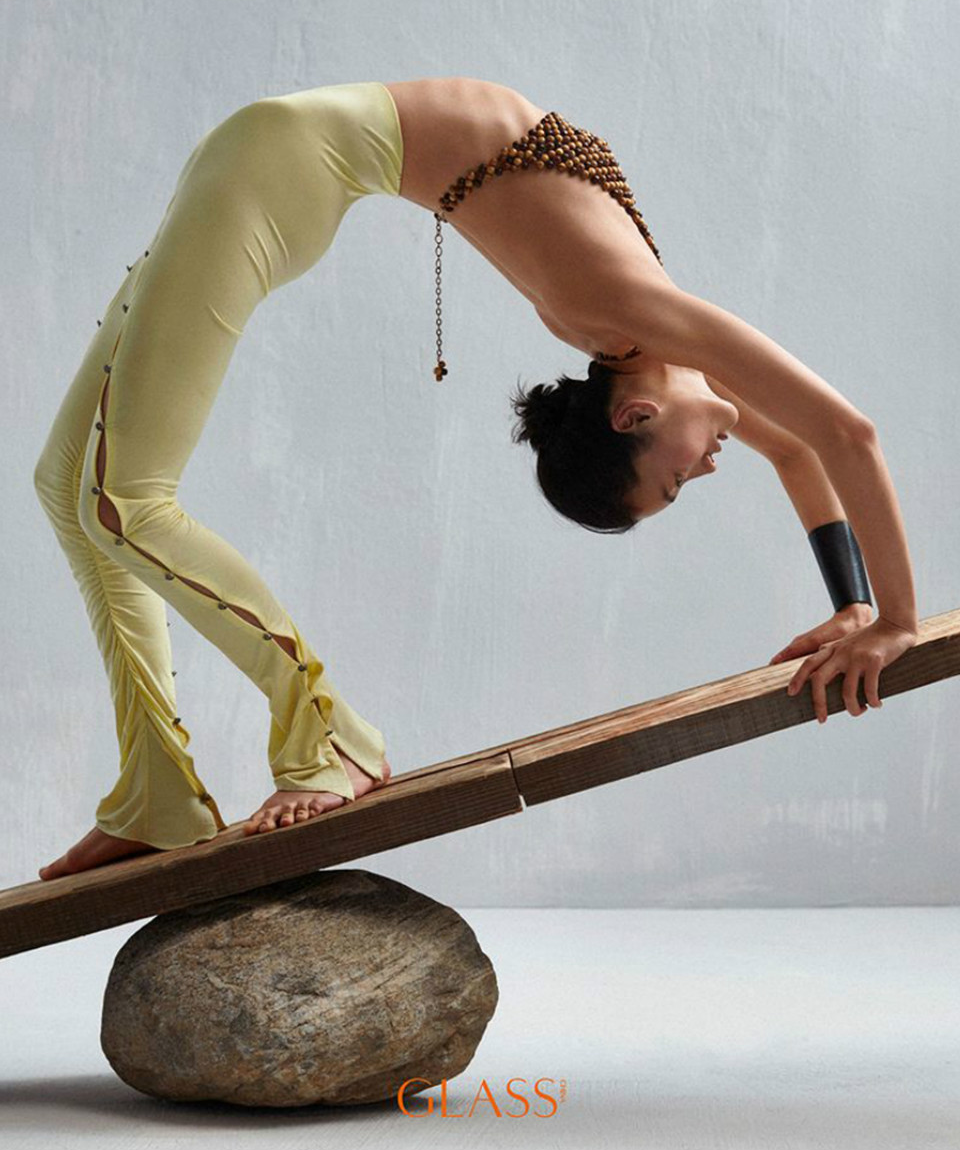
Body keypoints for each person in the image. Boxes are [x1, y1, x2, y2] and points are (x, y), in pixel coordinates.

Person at [33, 77, 918, 881]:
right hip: (271, 167)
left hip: (269, 159)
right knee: (119, 502)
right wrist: (898, 623)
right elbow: (846, 432)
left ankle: (156, 791)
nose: (709, 468)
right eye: (677, 482)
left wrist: (852, 604)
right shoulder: (635, 308)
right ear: (633, 419)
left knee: (73, 486)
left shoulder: (649, 344)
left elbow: (797, 454)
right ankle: (329, 736)